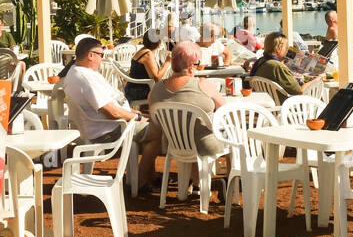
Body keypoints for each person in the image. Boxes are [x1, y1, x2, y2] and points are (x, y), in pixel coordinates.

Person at [137, 41, 229, 192]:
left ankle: (197, 183)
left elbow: (154, 114)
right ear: (192, 66)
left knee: (191, 127)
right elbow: (225, 109)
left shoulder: (156, 89)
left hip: (174, 145)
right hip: (205, 146)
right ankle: (230, 182)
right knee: (233, 137)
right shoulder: (203, 84)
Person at [61, 36, 145, 143]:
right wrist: (136, 117)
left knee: (156, 124)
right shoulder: (85, 78)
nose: (102, 58)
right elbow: (113, 113)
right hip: (111, 131)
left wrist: (130, 112)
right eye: (101, 55)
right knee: (159, 131)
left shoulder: (79, 72)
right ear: (91, 55)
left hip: (113, 125)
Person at [250, 32, 321, 97]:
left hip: (268, 100)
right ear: (278, 49)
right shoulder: (277, 67)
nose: (287, 49)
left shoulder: (260, 61)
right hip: (287, 104)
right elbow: (300, 91)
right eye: (286, 47)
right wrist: (317, 79)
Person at [126, 30, 168, 104]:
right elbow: (157, 77)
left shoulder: (143, 50)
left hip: (133, 88)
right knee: (172, 91)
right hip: (138, 91)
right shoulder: (147, 54)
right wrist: (168, 62)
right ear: (159, 43)